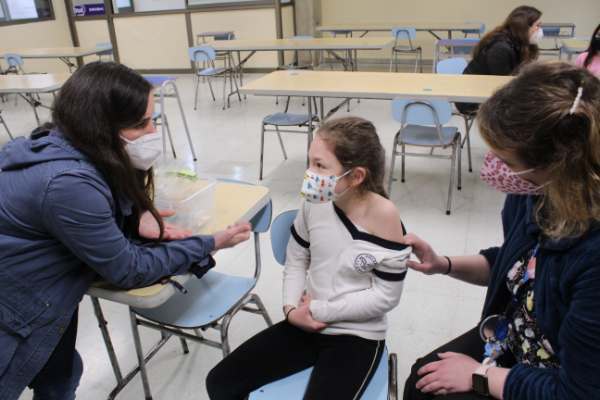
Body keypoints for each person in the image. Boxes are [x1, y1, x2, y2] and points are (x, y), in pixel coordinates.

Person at [0, 62, 252, 400]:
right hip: (15, 310)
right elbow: (129, 269)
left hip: (42, 298)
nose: (152, 132)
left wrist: (131, 217)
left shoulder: (62, 142)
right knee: (44, 376)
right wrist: (207, 243)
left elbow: (92, 203)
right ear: (100, 126)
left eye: (153, 119)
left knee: (61, 375)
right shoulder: (67, 183)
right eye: (140, 124)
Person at [403, 61, 600, 400]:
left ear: (557, 164)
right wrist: (443, 264)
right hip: (517, 336)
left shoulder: (591, 257)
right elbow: (517, 265)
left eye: (507, 161)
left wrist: (480, 376)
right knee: (421, 378)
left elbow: (577, 392)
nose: (494, 168)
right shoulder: (538, 194)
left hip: (553, 379)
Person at [206, 117, 411, 399]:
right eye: (309, 162)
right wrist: (292, 310)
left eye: (320, 165)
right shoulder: (315, 202)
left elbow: (386, 297)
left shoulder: (385, 215)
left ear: (356, 176)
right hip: (305, 321)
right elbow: (297, 258)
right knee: (220, 382)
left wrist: (319, 310)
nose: (309, 173)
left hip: (357, 334)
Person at [456, 5, 543, 115]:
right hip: (471, 100)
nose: (540, 30)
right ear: (524, 27)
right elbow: (503, 86)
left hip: (490, 91)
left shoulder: (519, 43)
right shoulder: (500, 48)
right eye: (537, 26)